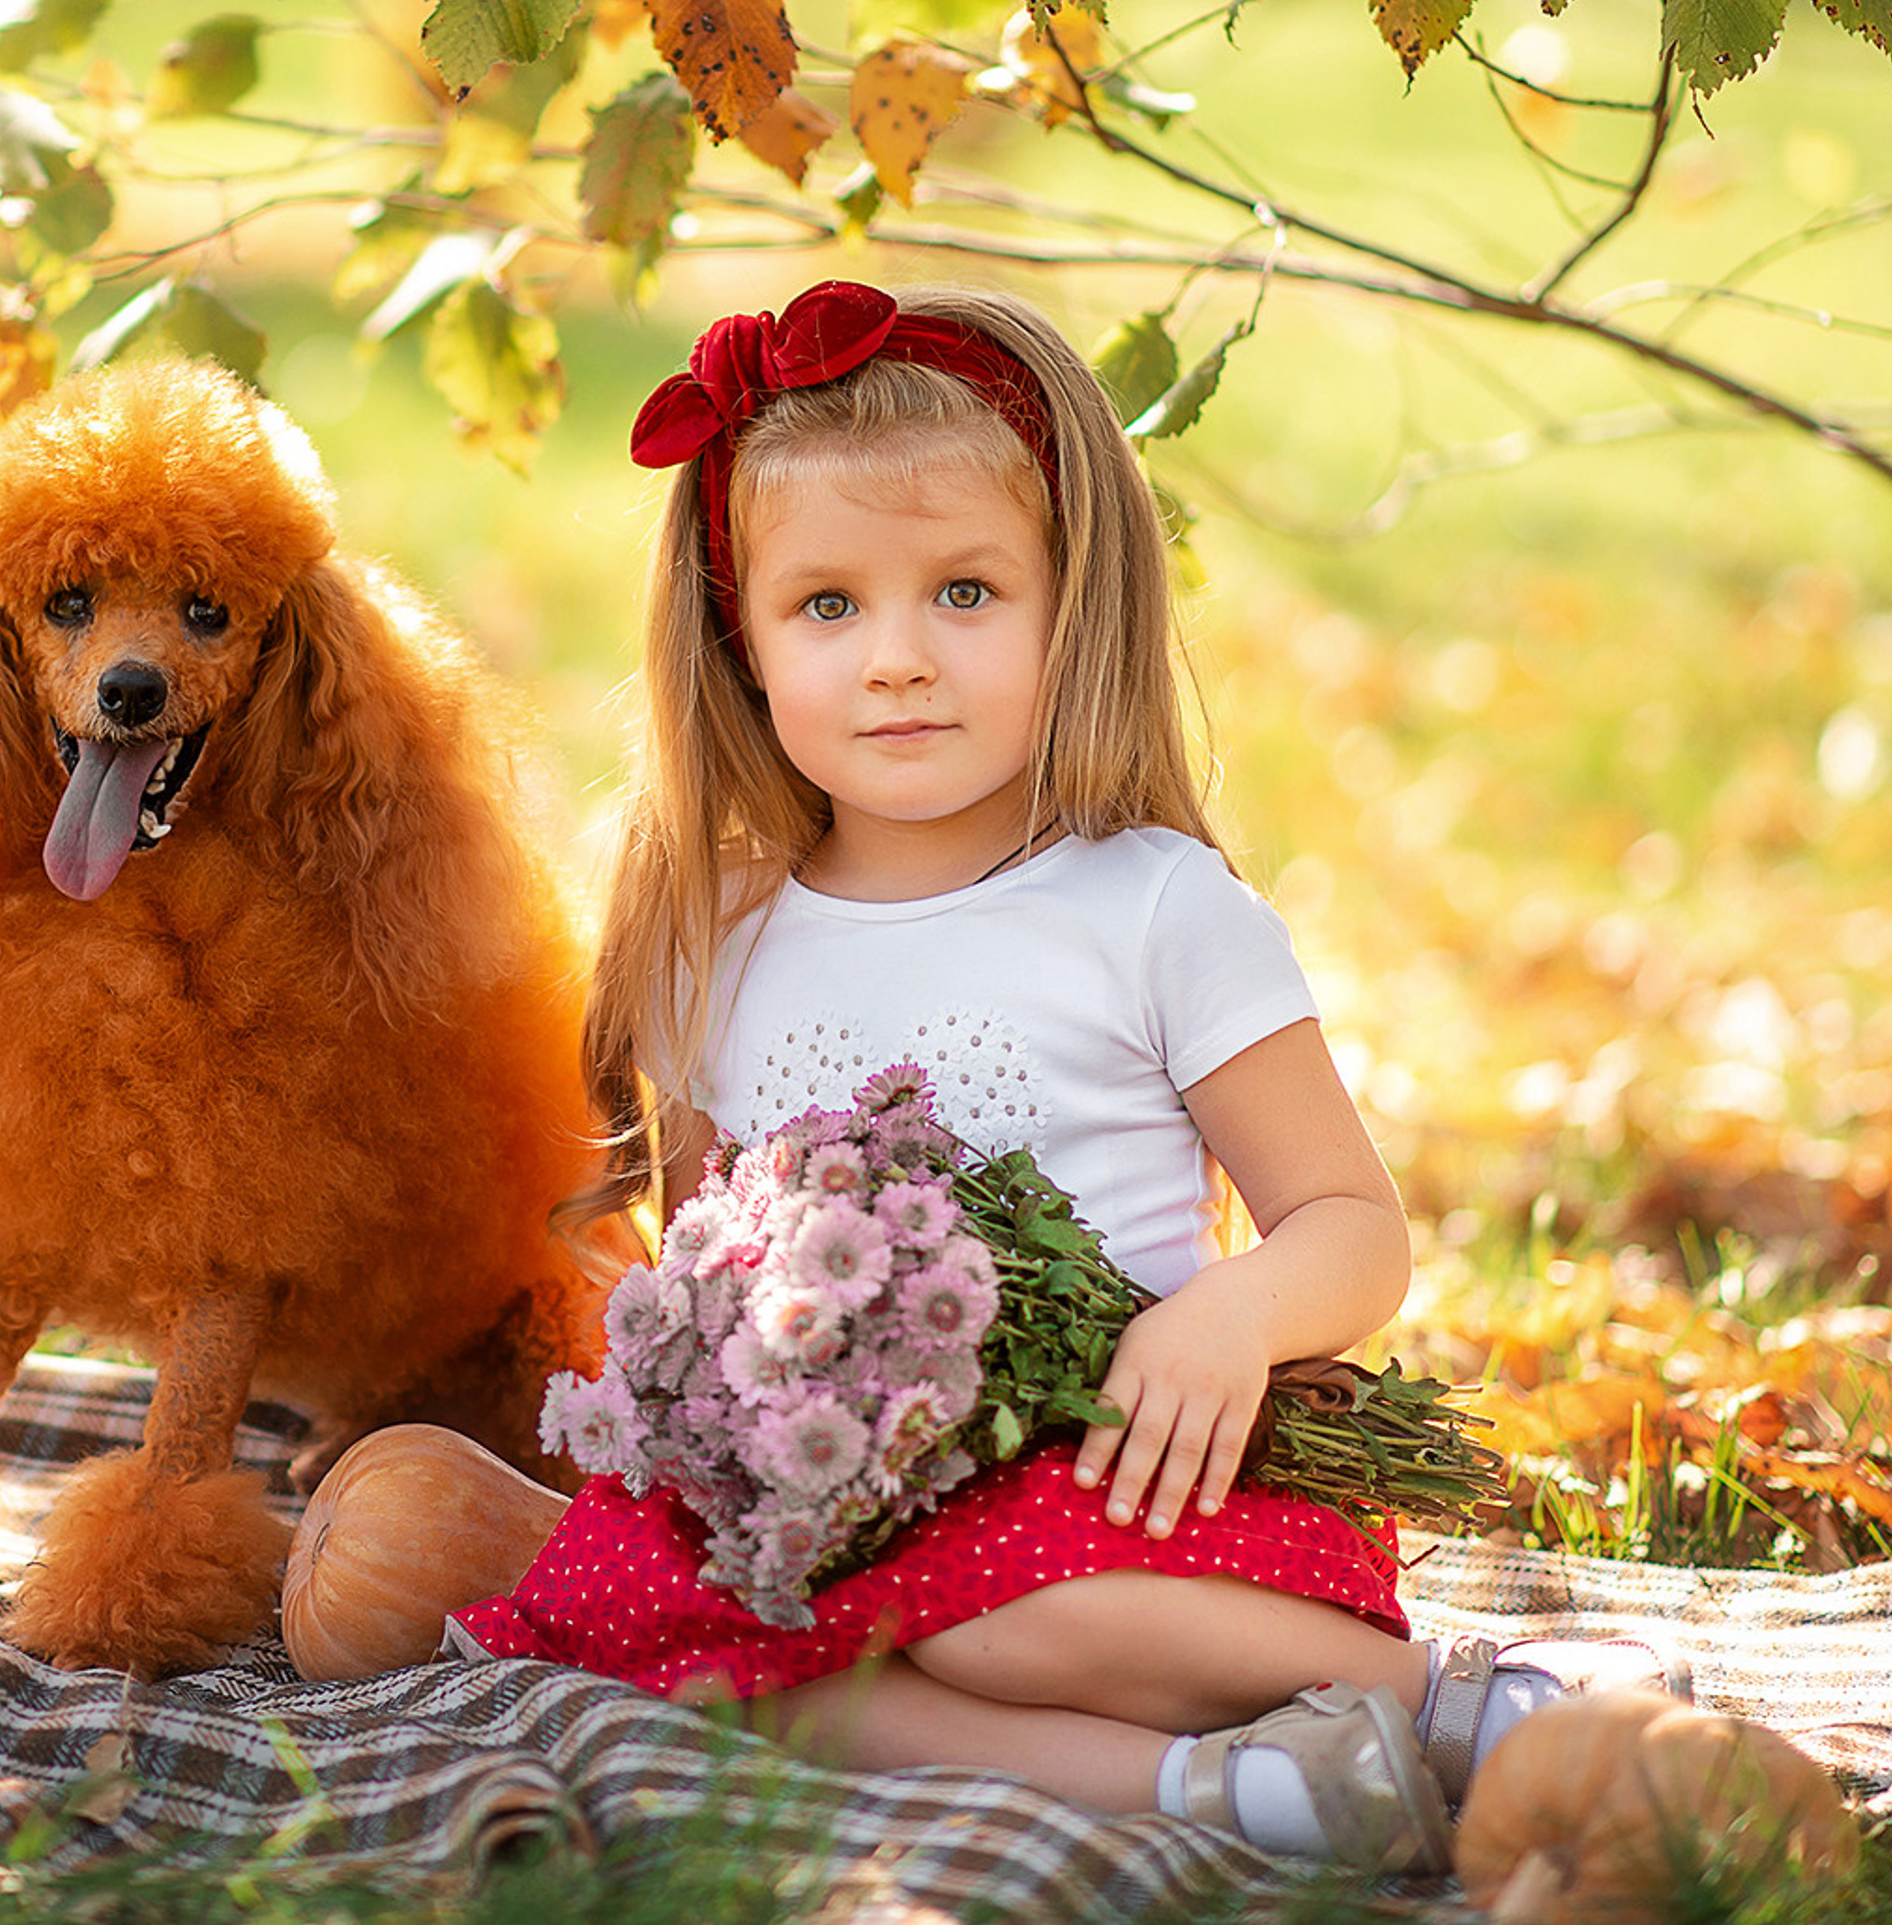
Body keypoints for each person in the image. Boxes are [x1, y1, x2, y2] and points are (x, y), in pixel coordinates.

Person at [452, 279, 1671, 1873]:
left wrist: (1230, 1316)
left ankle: (1445, 1702)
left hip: (1125, 1484)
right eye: (828, 607)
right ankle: (1230, 1792)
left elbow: (1351, 1227)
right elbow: (714, 1262)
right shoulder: (716, 943)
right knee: (675, 1646)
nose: (897, 661)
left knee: (993, 1625)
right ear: (738, 640)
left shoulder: (1150, 905)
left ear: (1069, 602)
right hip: (854, 1498)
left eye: (965, 592)